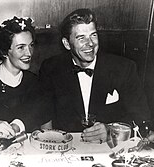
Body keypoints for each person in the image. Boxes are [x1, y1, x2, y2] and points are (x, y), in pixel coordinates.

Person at [39, 8, 151, 143]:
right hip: (67, 149)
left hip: (110, 148)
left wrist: (112, 131)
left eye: (93, 35)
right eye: (81, 38)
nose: (90, 44)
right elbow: (44, 116)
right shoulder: (51, 68)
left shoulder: (124, 68)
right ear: (67, 44)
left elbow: (142, 118)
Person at [0, 16, 52, 140]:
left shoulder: (36, 82)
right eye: (21, 47)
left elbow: (47, 128)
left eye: (31, 45)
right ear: (4, 52)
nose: (29, 53)